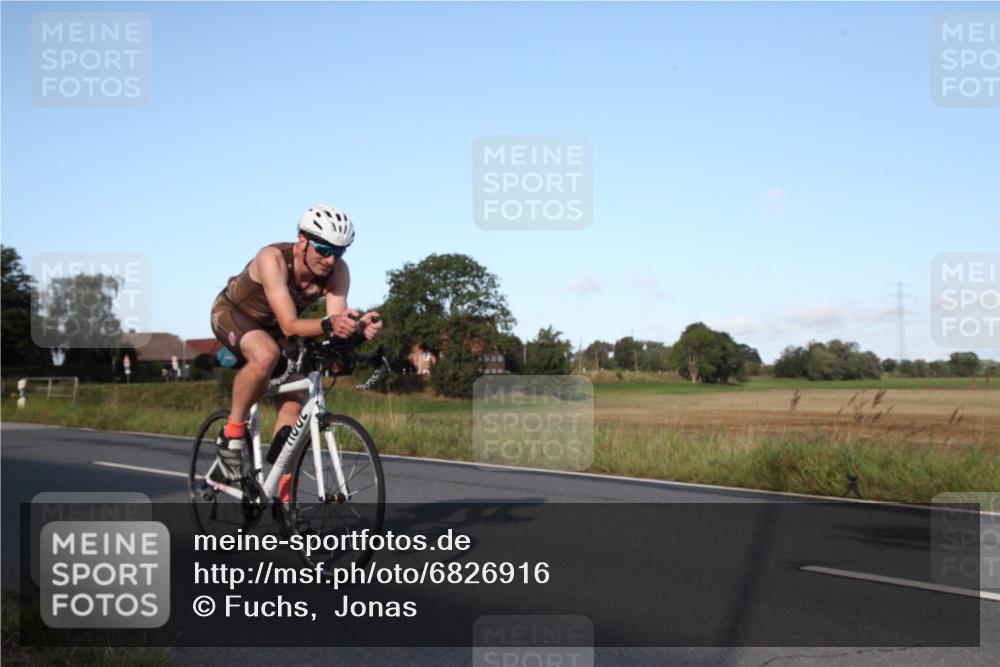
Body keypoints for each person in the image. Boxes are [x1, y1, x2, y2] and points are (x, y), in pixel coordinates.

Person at [209, 204, 382, 484]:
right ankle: (232, 432)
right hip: (234, 315)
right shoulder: (273, 258)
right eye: (323, 250)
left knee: (293, 403)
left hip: (277, 329)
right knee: (265, 354)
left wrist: (357, 329)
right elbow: (291, 324)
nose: (330, 260)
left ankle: (280, 492)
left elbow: (336, 321)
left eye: (339, 252)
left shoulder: (338, 272)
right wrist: (328, 323)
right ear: (302, 239)